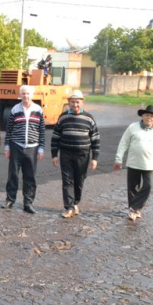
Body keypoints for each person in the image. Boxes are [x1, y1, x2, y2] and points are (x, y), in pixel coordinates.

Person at [51, 90, 100, 219]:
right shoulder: (63, 117)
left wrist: (94, 158)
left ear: (82, 102)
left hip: (83, 155)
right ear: (69, 103)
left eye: (77, 102)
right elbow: (55, 136)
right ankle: (69, 207)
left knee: (79, 181)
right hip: (66, 153)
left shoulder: (89, 118)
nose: (75, 104)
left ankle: (75, 202)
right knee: (67, 181)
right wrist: (54, 155)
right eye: (72, 102)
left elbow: (95, 138)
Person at [113, 105, 153, 222]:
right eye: (147, 115)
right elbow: (123, 143)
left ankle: (135, 206)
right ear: (142, 116)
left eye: (152, 116)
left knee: (148, 186)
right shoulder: (133, 127)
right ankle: (134, 210)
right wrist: (118, 159)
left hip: (149, 164)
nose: (149, 118)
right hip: (133, 162)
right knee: (132, 187)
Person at [3, 85, 46, 214]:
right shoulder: (15, 110)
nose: (26, 96)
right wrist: (7, 147)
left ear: (31, 95)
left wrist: (41, 148)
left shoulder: (38, 110)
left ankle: (28, 203)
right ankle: (10, 200)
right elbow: (8, 129)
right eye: (23, 94)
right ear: (20, 95)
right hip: (16, 146)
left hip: (32, 148)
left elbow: (42, 131)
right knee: (13, 175)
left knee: (30, 176)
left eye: (28, 94)